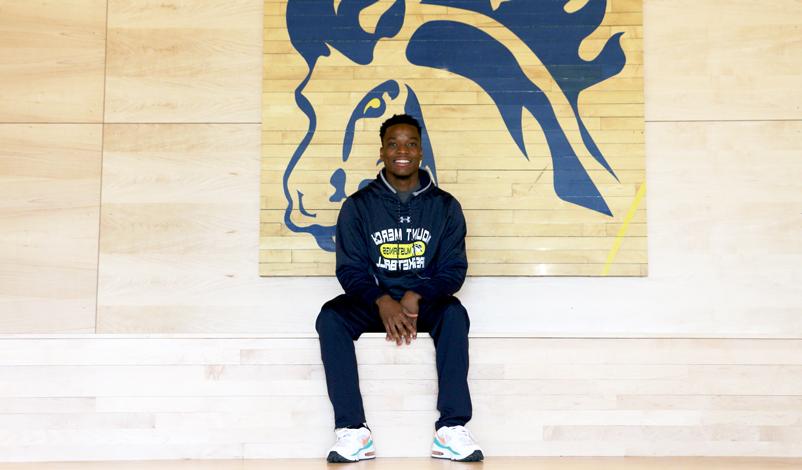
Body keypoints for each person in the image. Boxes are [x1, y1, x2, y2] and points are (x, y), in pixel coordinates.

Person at [315, 114, 483, 463]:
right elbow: (350, 270)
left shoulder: (446, 207)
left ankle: (451, 430)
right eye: (393, 144)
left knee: (455, 314)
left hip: (424, 305)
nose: (401, 151)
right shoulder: (358, 207)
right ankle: (353, 432)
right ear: (382, 151)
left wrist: (418, 294)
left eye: (410, 144)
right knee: (330, 317)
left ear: (421, 151)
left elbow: (454, 269)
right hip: (376, 306)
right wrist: (382, 300)